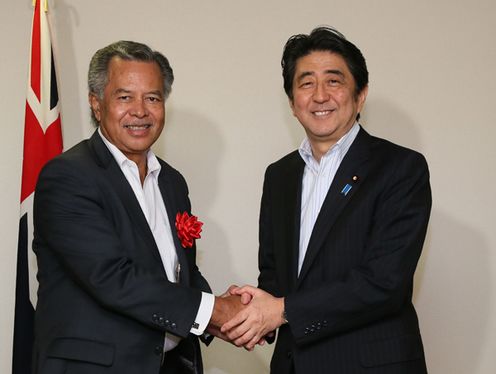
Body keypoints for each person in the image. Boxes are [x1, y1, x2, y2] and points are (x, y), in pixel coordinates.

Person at [222, 27, 431, 373]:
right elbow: (275, 274)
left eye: (334, 81)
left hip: (371, 364)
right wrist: (247, 307)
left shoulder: (400, 168)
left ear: (360, 95)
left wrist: (282, 310)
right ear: (292, 102)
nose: (320, 95)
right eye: (306, 83)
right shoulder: (279, 176)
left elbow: (385, 281)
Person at [32, 40, 242, 374]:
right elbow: (113, 278)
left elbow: (176, 272)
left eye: (153, 98)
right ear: (96, 104)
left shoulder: (172, 182)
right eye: (125, 96)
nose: (140, 111)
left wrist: (236, 314)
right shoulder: (67, 177)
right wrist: (215, 311)